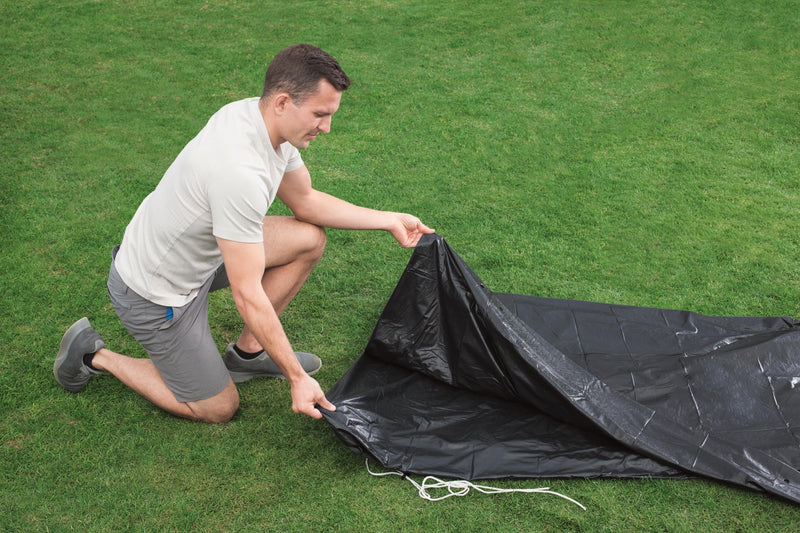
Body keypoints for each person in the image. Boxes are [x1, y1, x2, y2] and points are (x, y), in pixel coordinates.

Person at [53, 44, 434, 423]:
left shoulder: (260, 118)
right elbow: (247, 294)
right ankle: (92, 353)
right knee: (218, 407)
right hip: (156, 294)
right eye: (320, 114)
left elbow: (304, 201)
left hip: (206, 252)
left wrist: (388, 219)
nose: (327, 127)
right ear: (283, 102)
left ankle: (247, 355)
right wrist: (296, 378)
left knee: (308, 239)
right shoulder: (239, 171)